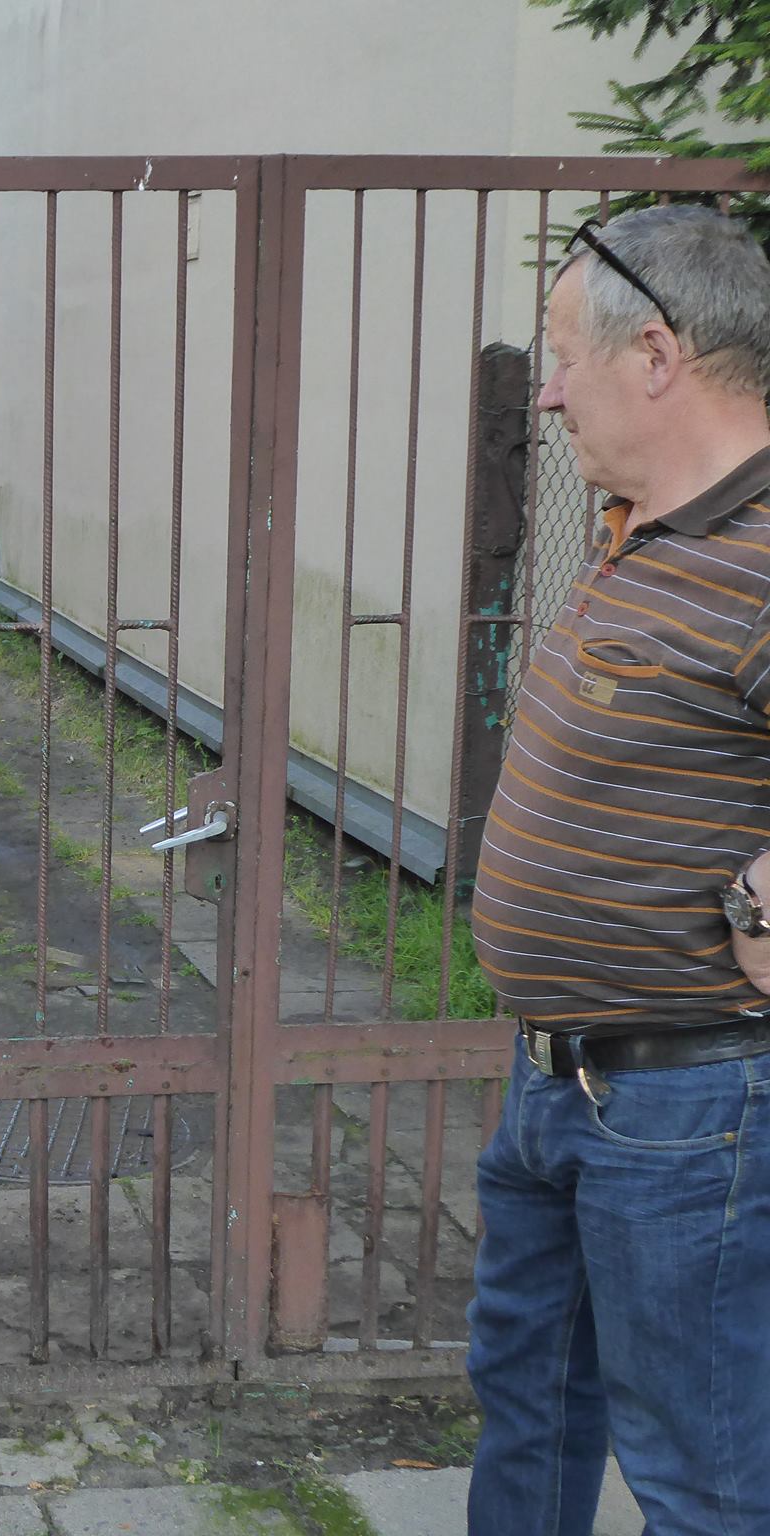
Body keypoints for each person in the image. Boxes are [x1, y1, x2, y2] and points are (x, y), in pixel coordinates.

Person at [467, 202, 770, 1535]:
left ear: (656, 354)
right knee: (528, 1403)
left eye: (562, 358)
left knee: (699, 1475)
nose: (546, 395)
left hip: (689, 1106)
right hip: (557, 1083)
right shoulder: (642, 521)